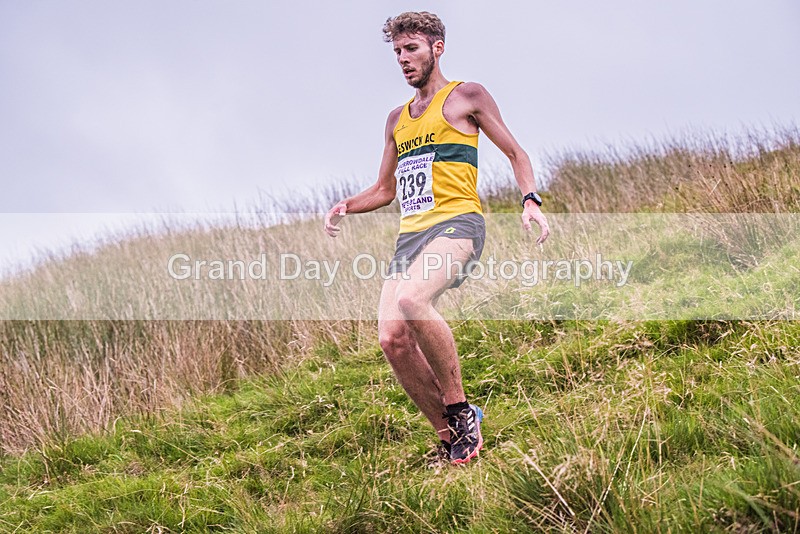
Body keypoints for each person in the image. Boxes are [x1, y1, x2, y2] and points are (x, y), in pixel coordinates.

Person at [324, 11, 549, 465]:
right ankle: (449, 437)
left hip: (458, 225)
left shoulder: (467, 96)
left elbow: (516, 152)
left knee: (412, 301)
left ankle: (462, 408)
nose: (403, 60)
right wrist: (347, 204)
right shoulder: (396, 120)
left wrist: (530, 200)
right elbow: (386, 190)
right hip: (410, 239)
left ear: (436, 48)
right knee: (392, 339)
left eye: (411, 50)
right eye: (397, 53)